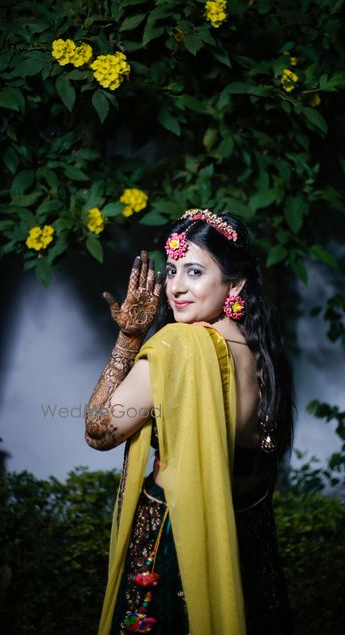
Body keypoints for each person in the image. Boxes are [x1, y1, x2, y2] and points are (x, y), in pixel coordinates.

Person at [85, 208, 295, 635]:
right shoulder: (261, 350)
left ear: (235, 284)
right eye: (172, 270)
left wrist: (128, 339)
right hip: (244, 540)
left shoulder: (179, 346)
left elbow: (98, 431)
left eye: (194, 272)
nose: (175, 287)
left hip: (179, 541)